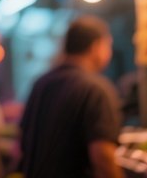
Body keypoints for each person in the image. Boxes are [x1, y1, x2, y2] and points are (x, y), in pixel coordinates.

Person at [18, 16, 122, 178]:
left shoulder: (41, 83)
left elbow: (22, 142)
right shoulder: (96, 88)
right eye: (108, 45)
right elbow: (102, 156)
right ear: (96, 47)